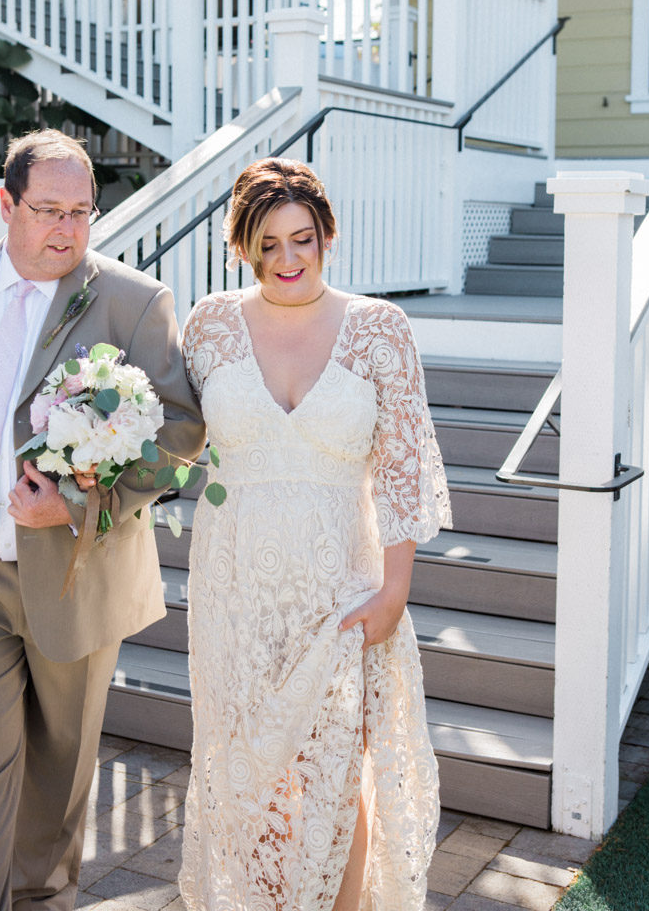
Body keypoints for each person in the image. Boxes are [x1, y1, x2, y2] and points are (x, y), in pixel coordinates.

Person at [0, 129, 206, 911]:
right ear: (6, 205)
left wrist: (75, 501)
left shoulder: (134, 302)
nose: (66, 230)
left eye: (81, 212)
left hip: (76, 574)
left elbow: (179, 435)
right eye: (47, 210)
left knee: (58, 777)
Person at [178, 157, 451, 911]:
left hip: (343, 584)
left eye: (303, 239)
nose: (288, 259)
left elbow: (402, 467)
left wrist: (396, 588)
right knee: (248, 768)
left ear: (328, 234)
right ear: (243, 247)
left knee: (336, 766)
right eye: (268, 245)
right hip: (234, 584)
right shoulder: (209, 325)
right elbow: (172, 438)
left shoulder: (379, 329)